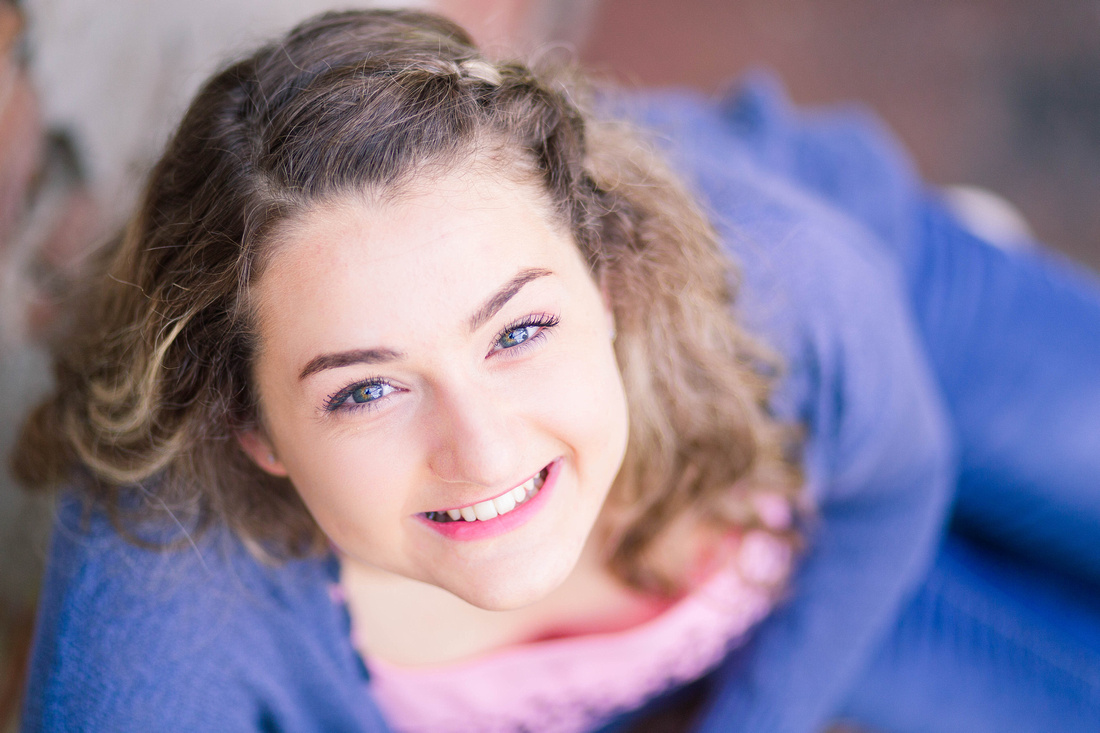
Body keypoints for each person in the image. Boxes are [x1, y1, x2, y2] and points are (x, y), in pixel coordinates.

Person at [11, 9, 1100, 732]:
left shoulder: (780, 286)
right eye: (365, 388)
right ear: (253, 429)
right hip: (799, 563)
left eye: (518, 331)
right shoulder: (155, 621)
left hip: (872, 338)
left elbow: (890, 484)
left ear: (607, 276)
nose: (481, 450)